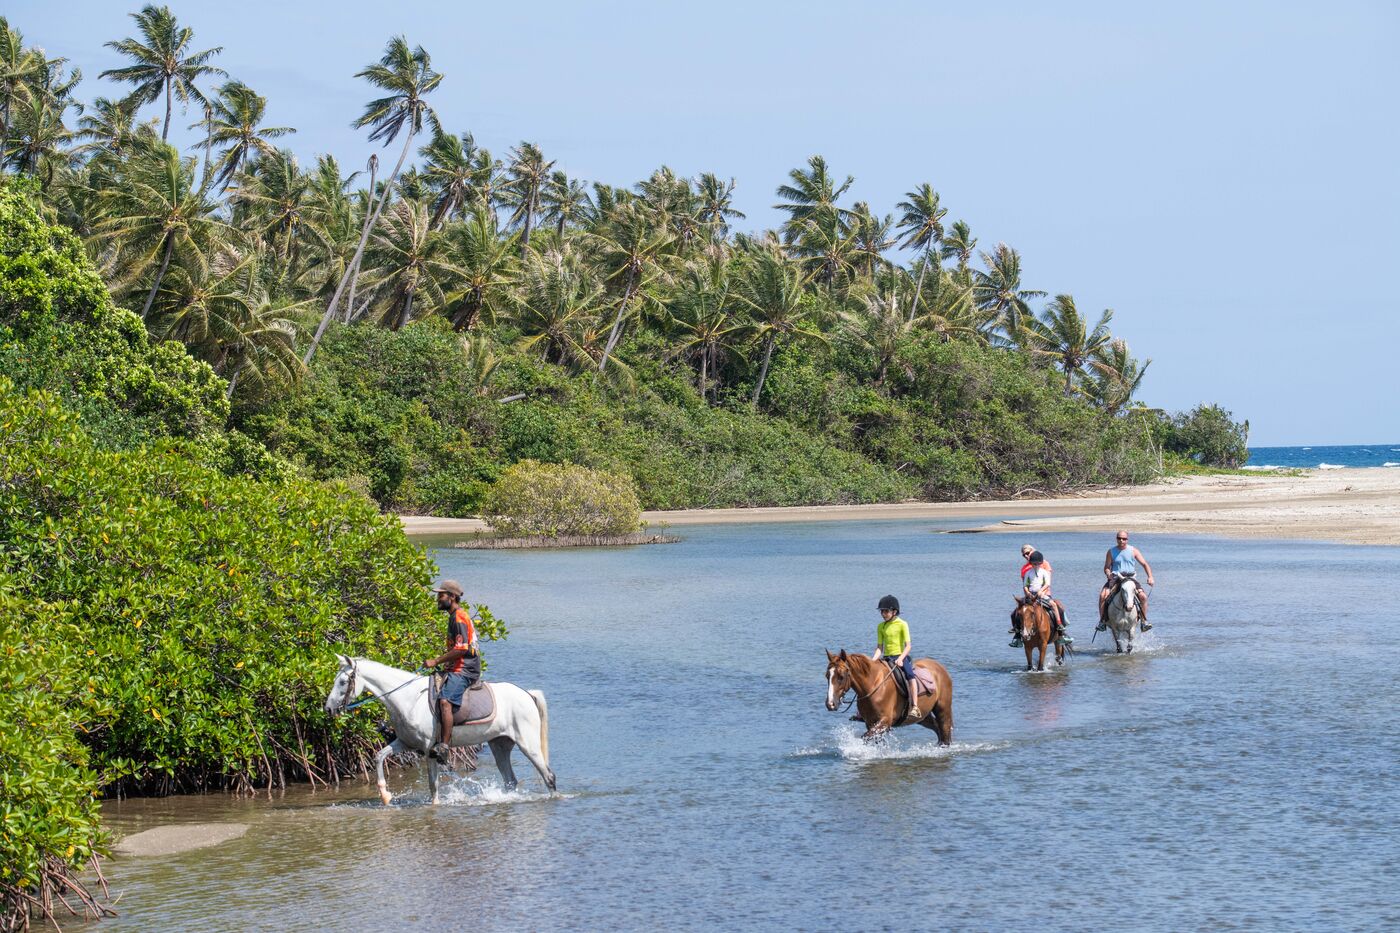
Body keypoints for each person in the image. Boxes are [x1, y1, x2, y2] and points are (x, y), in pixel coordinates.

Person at [424, 579, 480, 762]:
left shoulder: (459, 617)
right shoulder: (453, 616)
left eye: (441, 595)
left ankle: (444, 747)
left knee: (445, 701)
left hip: (465, 669)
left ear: (452, 597)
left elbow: (461, 649)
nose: (438, 599)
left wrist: (436, 661)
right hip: (456, 666)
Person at [871, 595, 919, 714]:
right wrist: (872, 661)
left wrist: (901, 659)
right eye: (882, 611)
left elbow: (908, 646)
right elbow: (879, 648)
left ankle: (915, 706)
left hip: (899, 657)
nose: (883, 614)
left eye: (886, 611)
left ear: (894, 611)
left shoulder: (902, 624)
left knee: (910, 676)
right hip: (886, 658)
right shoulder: (880, 626)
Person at [1012, 550, 1071, 647]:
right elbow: (1025, 585)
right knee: (1016, 612)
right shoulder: (1028, 573)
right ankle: (1017, 634)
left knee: (1054, 605)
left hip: (1042, 594)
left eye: (1038, 564)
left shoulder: (1044, 572)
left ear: (1041, 563)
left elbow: (1047, 584)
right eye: (1034, 564)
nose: (1036, 565)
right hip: (1030, 595)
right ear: (1031, 563)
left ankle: (1060, 627)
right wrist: (1028, 592)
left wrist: (1041, 591)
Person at [1099, 531, 1155, 631]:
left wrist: (1150, 577)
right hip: (1116, 577)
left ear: (1127, 539)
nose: (1121, 540)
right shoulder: (1111, 551)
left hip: (1130, 578)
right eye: (1119, 538)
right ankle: (1102, 622)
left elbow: (1145, 564)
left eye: (1124, 539)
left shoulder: (1133, 550)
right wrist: (1108, 573)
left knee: (1143, 597)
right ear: (1116, 539)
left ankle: (1144, 622)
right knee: (1103, 595)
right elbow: (1107, 567)